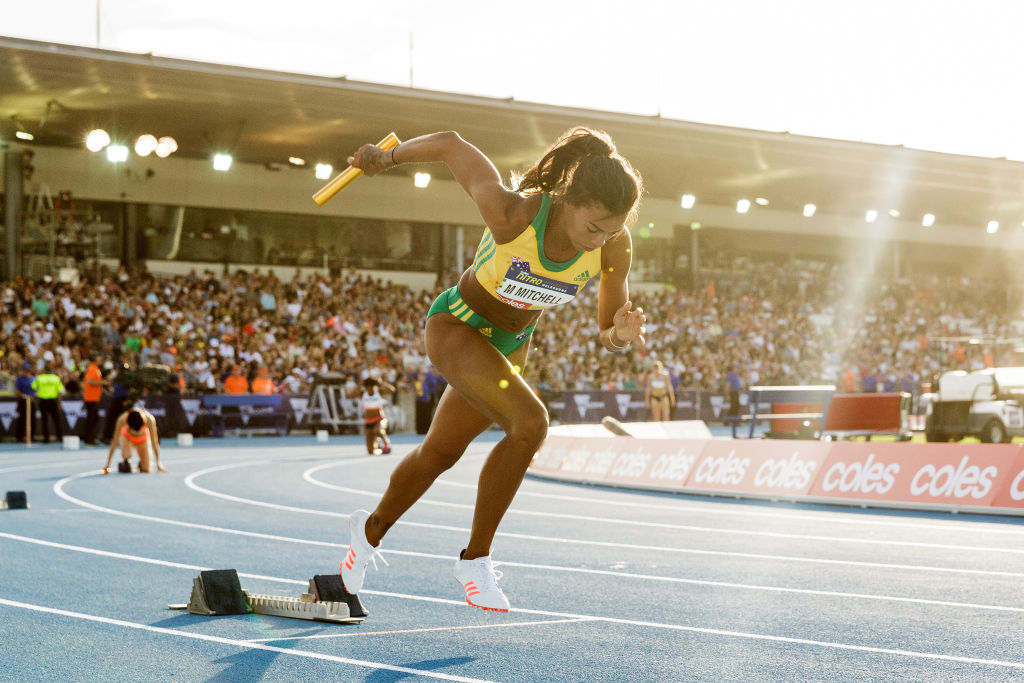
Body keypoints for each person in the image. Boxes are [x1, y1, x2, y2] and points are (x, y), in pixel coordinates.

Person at [338, 127, 646, 612]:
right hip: (458, 326)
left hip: (508, 348)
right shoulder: (516, 213)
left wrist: (620, 336)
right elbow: (452, 144)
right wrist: (389, 156)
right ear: (568, 200)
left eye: (612, 230)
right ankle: (474, 560)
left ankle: (368, 531)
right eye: (594, 228)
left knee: (439, 453)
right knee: (531, 424)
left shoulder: (613, 246)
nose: (600, 241)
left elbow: (608, 331)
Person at [101, 407, 167, 474]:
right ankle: (125, 462)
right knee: (127, 456)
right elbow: (114, 442)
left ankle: (141, 463)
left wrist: (158, 463)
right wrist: (107, 465)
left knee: (146, 469)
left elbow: (154, 442)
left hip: (142, 439)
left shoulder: (150, 419)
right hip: (127, 438)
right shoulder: (122, 419)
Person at [356, 376, 395, 455]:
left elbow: (392, 390)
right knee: (370, 451)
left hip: (380, 419)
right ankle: (380, 449)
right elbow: (350, 394)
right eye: (369, 387)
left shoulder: (379, 392)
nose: (371, 389)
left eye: (373, 387)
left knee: (377, 430)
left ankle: (387, 444)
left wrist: (381, 383)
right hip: (369, 422)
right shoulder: (363, 393)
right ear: (366, 387)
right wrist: (360, 384)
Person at [31, 363, 65, 443]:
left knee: (44, 420)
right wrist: (59, 403)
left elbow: (33, 387)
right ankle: (60, 437)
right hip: (53, 401)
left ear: (44, 370)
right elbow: (60, 392)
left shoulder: (40, 378)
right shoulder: (56, 378)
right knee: (56, 420)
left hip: (43, 401)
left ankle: (46, 439)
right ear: (51, 371)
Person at [82, 352, 105, 445]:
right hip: (91, 398)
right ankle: (88, 439)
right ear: (95, 358)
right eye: (99, 357)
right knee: (92, 419)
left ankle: (89, 438)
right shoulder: (92, 368)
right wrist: (103, 383)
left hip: (93, 397)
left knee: (93, 418)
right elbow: (91, 381)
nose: (101, 358)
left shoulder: (94, 368)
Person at [14, 361, 35, 443]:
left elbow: (35, 389)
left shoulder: (32, 379)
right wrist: (23, 395)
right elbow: (16, 390)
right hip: (23, 401)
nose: (27, 372)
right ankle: (19, 436)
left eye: (28, 370)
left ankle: (30, 436)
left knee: (32, 419)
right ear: (23, 370)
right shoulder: (20, 379)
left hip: (31, 401)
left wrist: (32, 396)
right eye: (25, 370)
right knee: (22, 419)